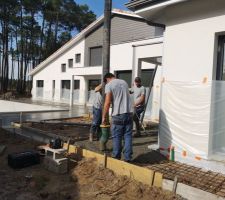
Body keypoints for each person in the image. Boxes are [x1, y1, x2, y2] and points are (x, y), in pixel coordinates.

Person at [102, 73, 133, 162]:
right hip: (129, 113)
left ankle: (116, 157)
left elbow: (107, 103)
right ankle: (127, 158)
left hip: (118, 115)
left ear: (107, 79)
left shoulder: (109, 85)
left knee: (117, 137)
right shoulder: (124, 82)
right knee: (128, 137)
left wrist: (104, 117)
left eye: (106, 81)